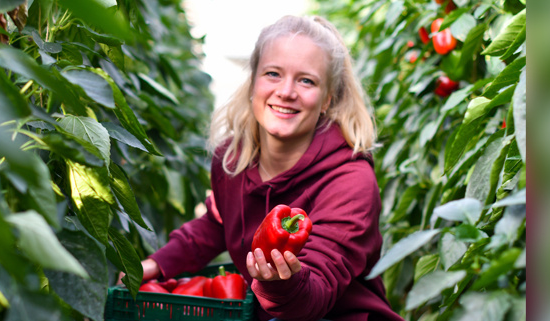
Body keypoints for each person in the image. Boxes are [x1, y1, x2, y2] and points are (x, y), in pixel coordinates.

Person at [137, 15, 401, 321]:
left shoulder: (349, 181)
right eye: (273, 74)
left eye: (306, 80)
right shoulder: (233, 160)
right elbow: (217, 223)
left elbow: (316, 295)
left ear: (327, 99)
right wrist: (154, 265)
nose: (286, 91)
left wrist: (281, 285)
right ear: (253, 83)